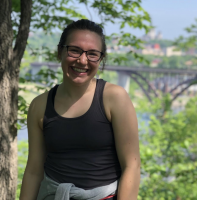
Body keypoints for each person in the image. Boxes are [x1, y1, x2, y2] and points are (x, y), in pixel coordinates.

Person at [20, 19, 140, 200]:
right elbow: (34, 171)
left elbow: (132, 165)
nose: (82, 60)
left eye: (92, 54)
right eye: (74, 50)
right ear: (59, 52)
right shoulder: (39, 105)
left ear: (101, 59)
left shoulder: (114, 98)